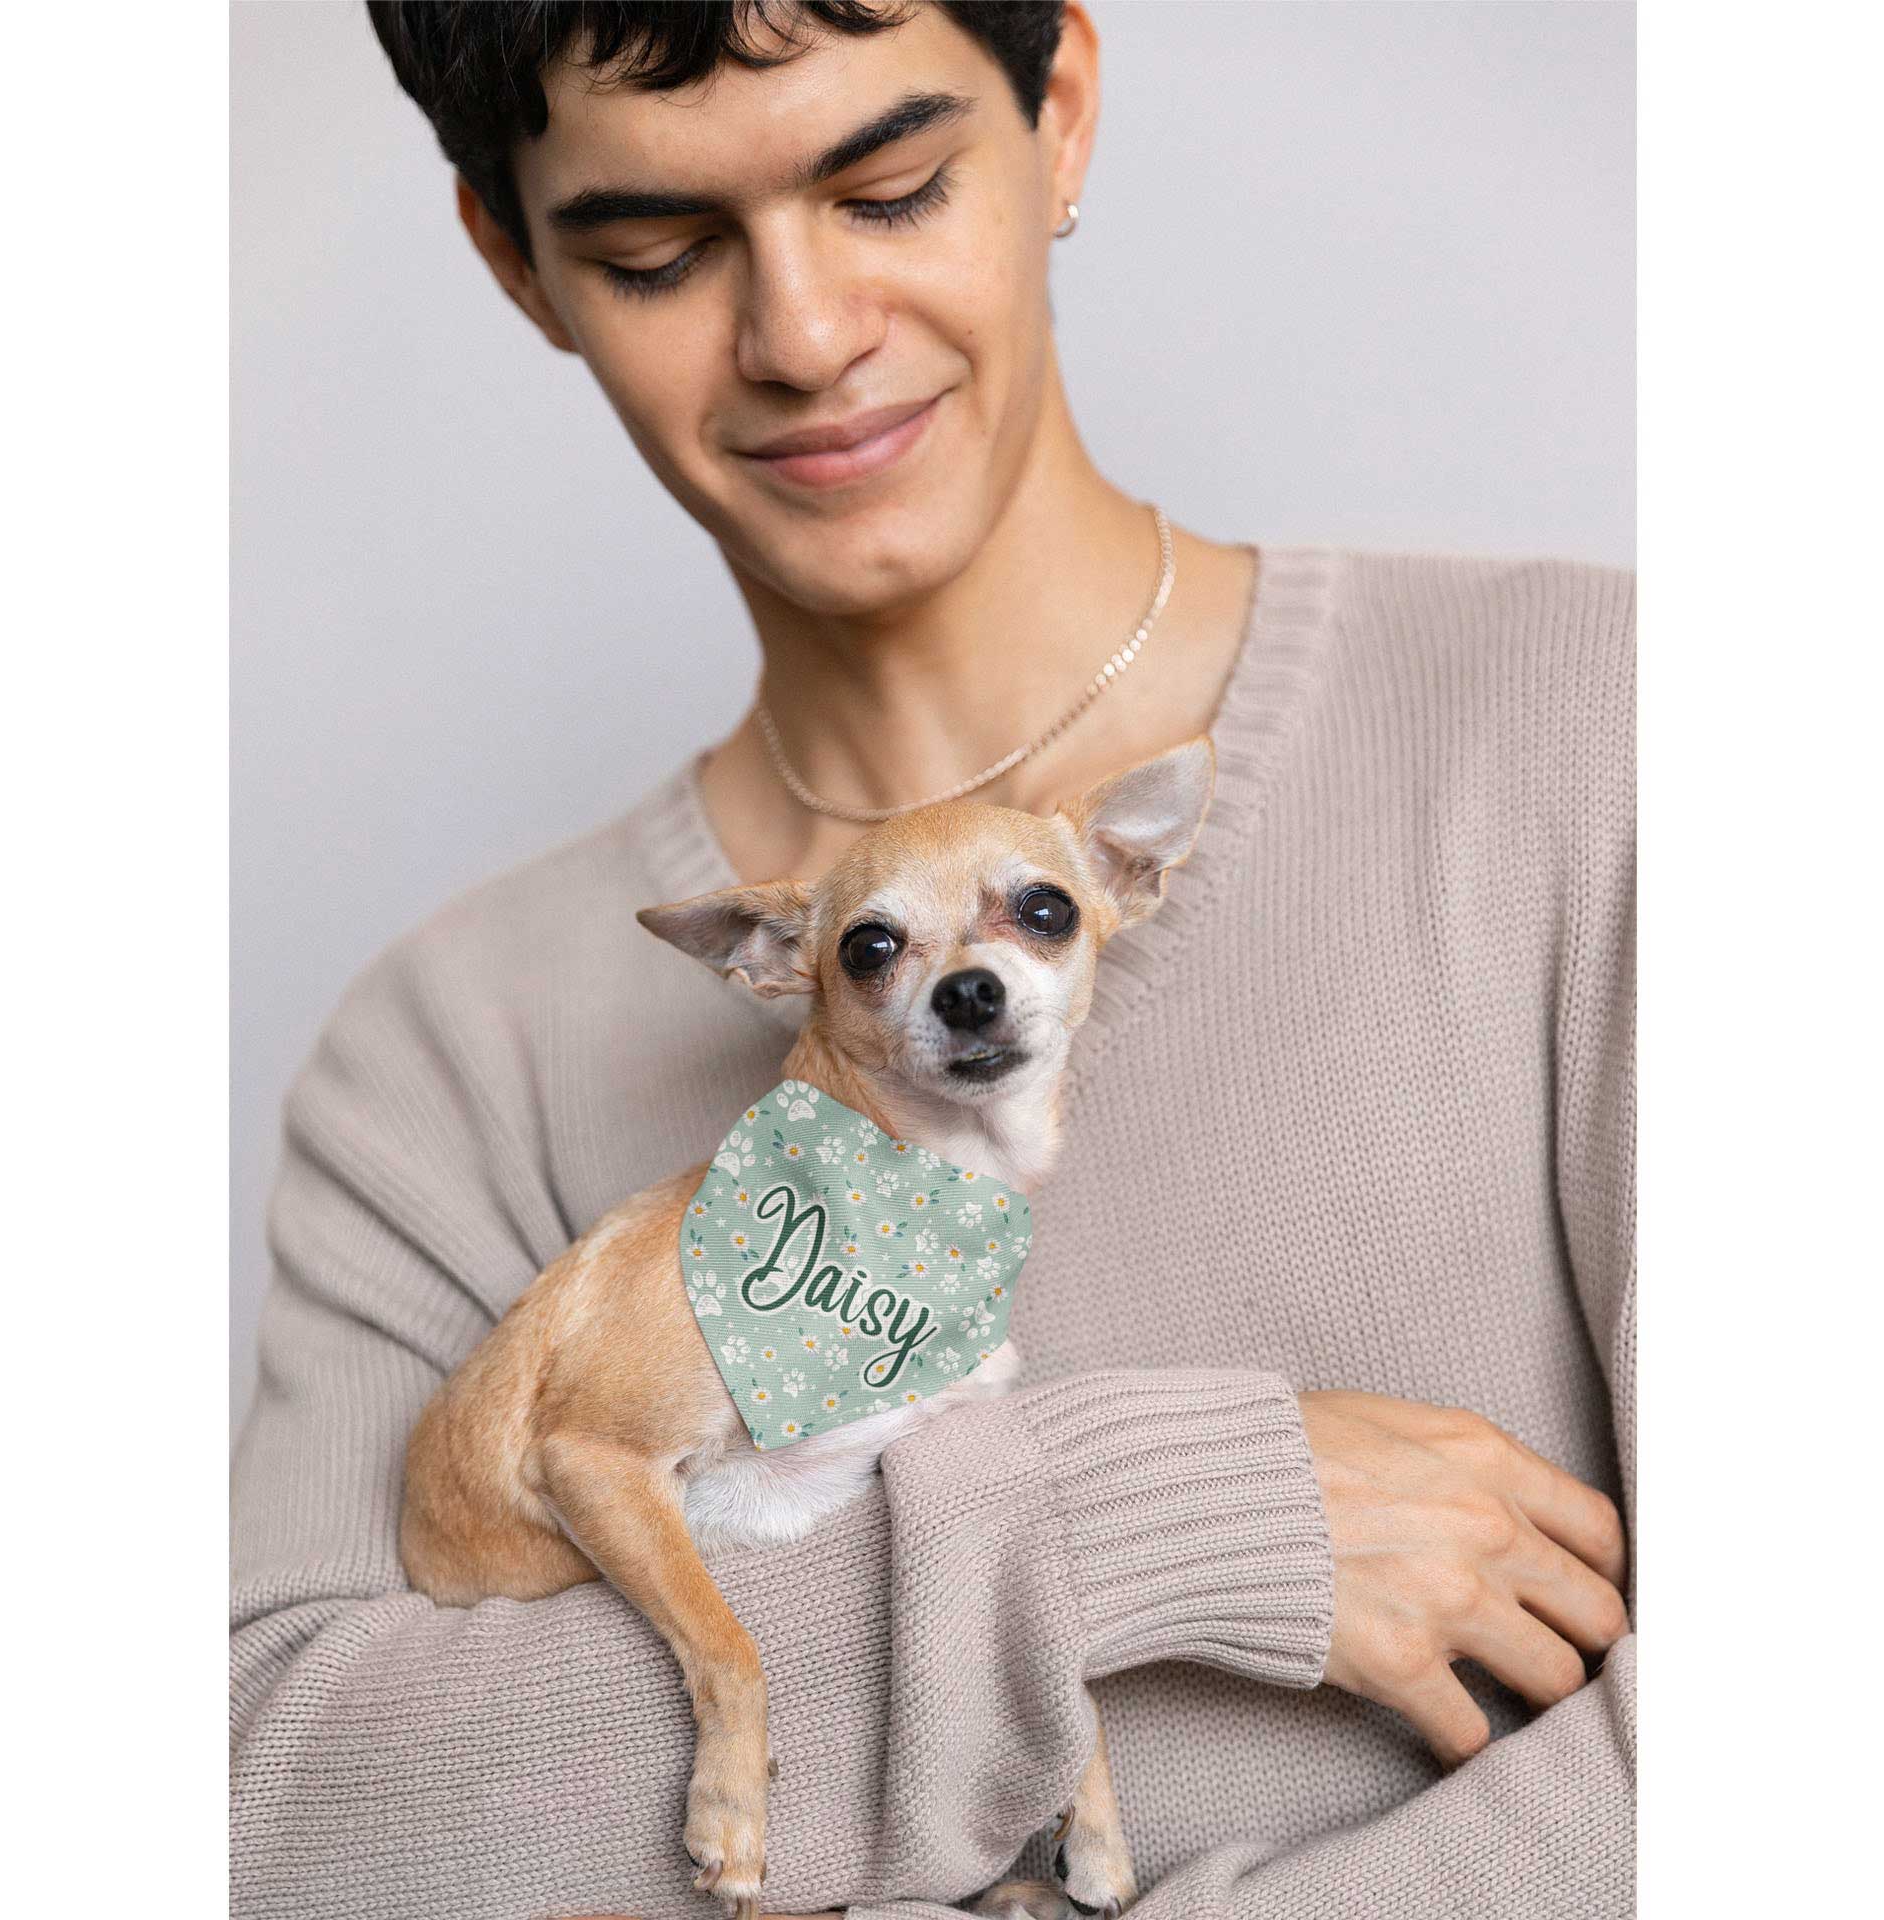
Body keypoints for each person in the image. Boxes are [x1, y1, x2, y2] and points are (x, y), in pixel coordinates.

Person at [230, 4, 1634, 1916]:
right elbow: (278, 1823)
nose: (804, 335)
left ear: (1059, 110)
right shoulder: (448, 1056)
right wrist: (1112, 1523)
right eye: (657, 254)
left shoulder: (1594, 735)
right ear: (517, 260)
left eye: (889, 189)